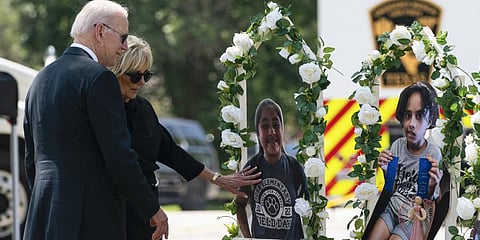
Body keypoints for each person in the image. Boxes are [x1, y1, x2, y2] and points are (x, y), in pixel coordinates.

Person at [23, 1, 166, 240]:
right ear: (100, 31)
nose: (124, 47)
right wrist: (151, 207)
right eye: (123, 37)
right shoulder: (99, 78)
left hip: (44, 212)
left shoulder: (40, 79)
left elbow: (31, 158)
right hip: (90, 217)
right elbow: (118, 155)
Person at [109, 35, 262, 239]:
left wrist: (218, 178)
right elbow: (123, 164)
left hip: (145, 207)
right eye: (135, 76)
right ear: (117, 71)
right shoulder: (106, 110)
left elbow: (172, 153)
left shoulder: (143, 108)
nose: (142, 82)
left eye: (147, 75)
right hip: (117, 207)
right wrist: (152, 208)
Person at [362, 81, 443, 240]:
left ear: (429, 121)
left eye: (419, 116)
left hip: (413, 217)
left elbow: (428, 203)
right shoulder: (398, 146)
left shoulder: (432, 153)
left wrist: (433, 186)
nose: (411, 124)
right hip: (391, 210)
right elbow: (391, 189)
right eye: (407, 115)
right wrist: (386, 171)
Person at [234, 98, 309, 239]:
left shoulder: (295, 167)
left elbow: (310, 206)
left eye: (276, 125)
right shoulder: (252, 168)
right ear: (258, 132)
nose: (271, 132)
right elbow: (239, 204)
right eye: (265, 126)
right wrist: (248, 237)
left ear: (282, 128)